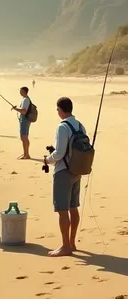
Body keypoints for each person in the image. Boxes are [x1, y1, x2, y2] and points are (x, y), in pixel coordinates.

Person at [43, 97, 87, 257]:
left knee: (62, 210)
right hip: (77, 170)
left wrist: (47, 159)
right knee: (73, 207)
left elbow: (60, 153)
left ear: (60, 110)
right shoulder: (80, 125)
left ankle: (65, 246)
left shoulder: (62, 127)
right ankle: (72, 243)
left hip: (63, 171)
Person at [12, 86, 31, 159]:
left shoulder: (26, 99)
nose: (20, 92)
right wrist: (16, 108)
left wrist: (16, 109)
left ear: (24, 91)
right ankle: (26, 153)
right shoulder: (24, 99)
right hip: (24, 119)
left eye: (21, 91)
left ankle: (26, 154)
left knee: (23, 137)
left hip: (25, 119)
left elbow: (24, 111)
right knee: (24, 137)